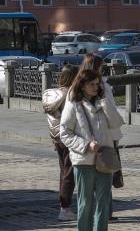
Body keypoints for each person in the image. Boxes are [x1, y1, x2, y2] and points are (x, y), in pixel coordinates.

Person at [59, 69, 124, 231]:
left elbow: (116, 123)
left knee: (103, 203)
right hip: (84, 161)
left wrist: (106, 102)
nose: (95, 87)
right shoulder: (73, 104)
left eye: (97, 84)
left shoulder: (103, 102)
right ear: (82, 85)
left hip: (105, 159)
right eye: (91, 84)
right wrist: (86, 145)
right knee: (85, 203)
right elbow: (64, 133)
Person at [42, 64, 79, 221]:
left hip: (56, 138)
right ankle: (65, 209)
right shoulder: (70, 94)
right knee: (69, 173)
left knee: (64, 172)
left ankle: (64, 206)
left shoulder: (52, 94)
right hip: (69, 137)